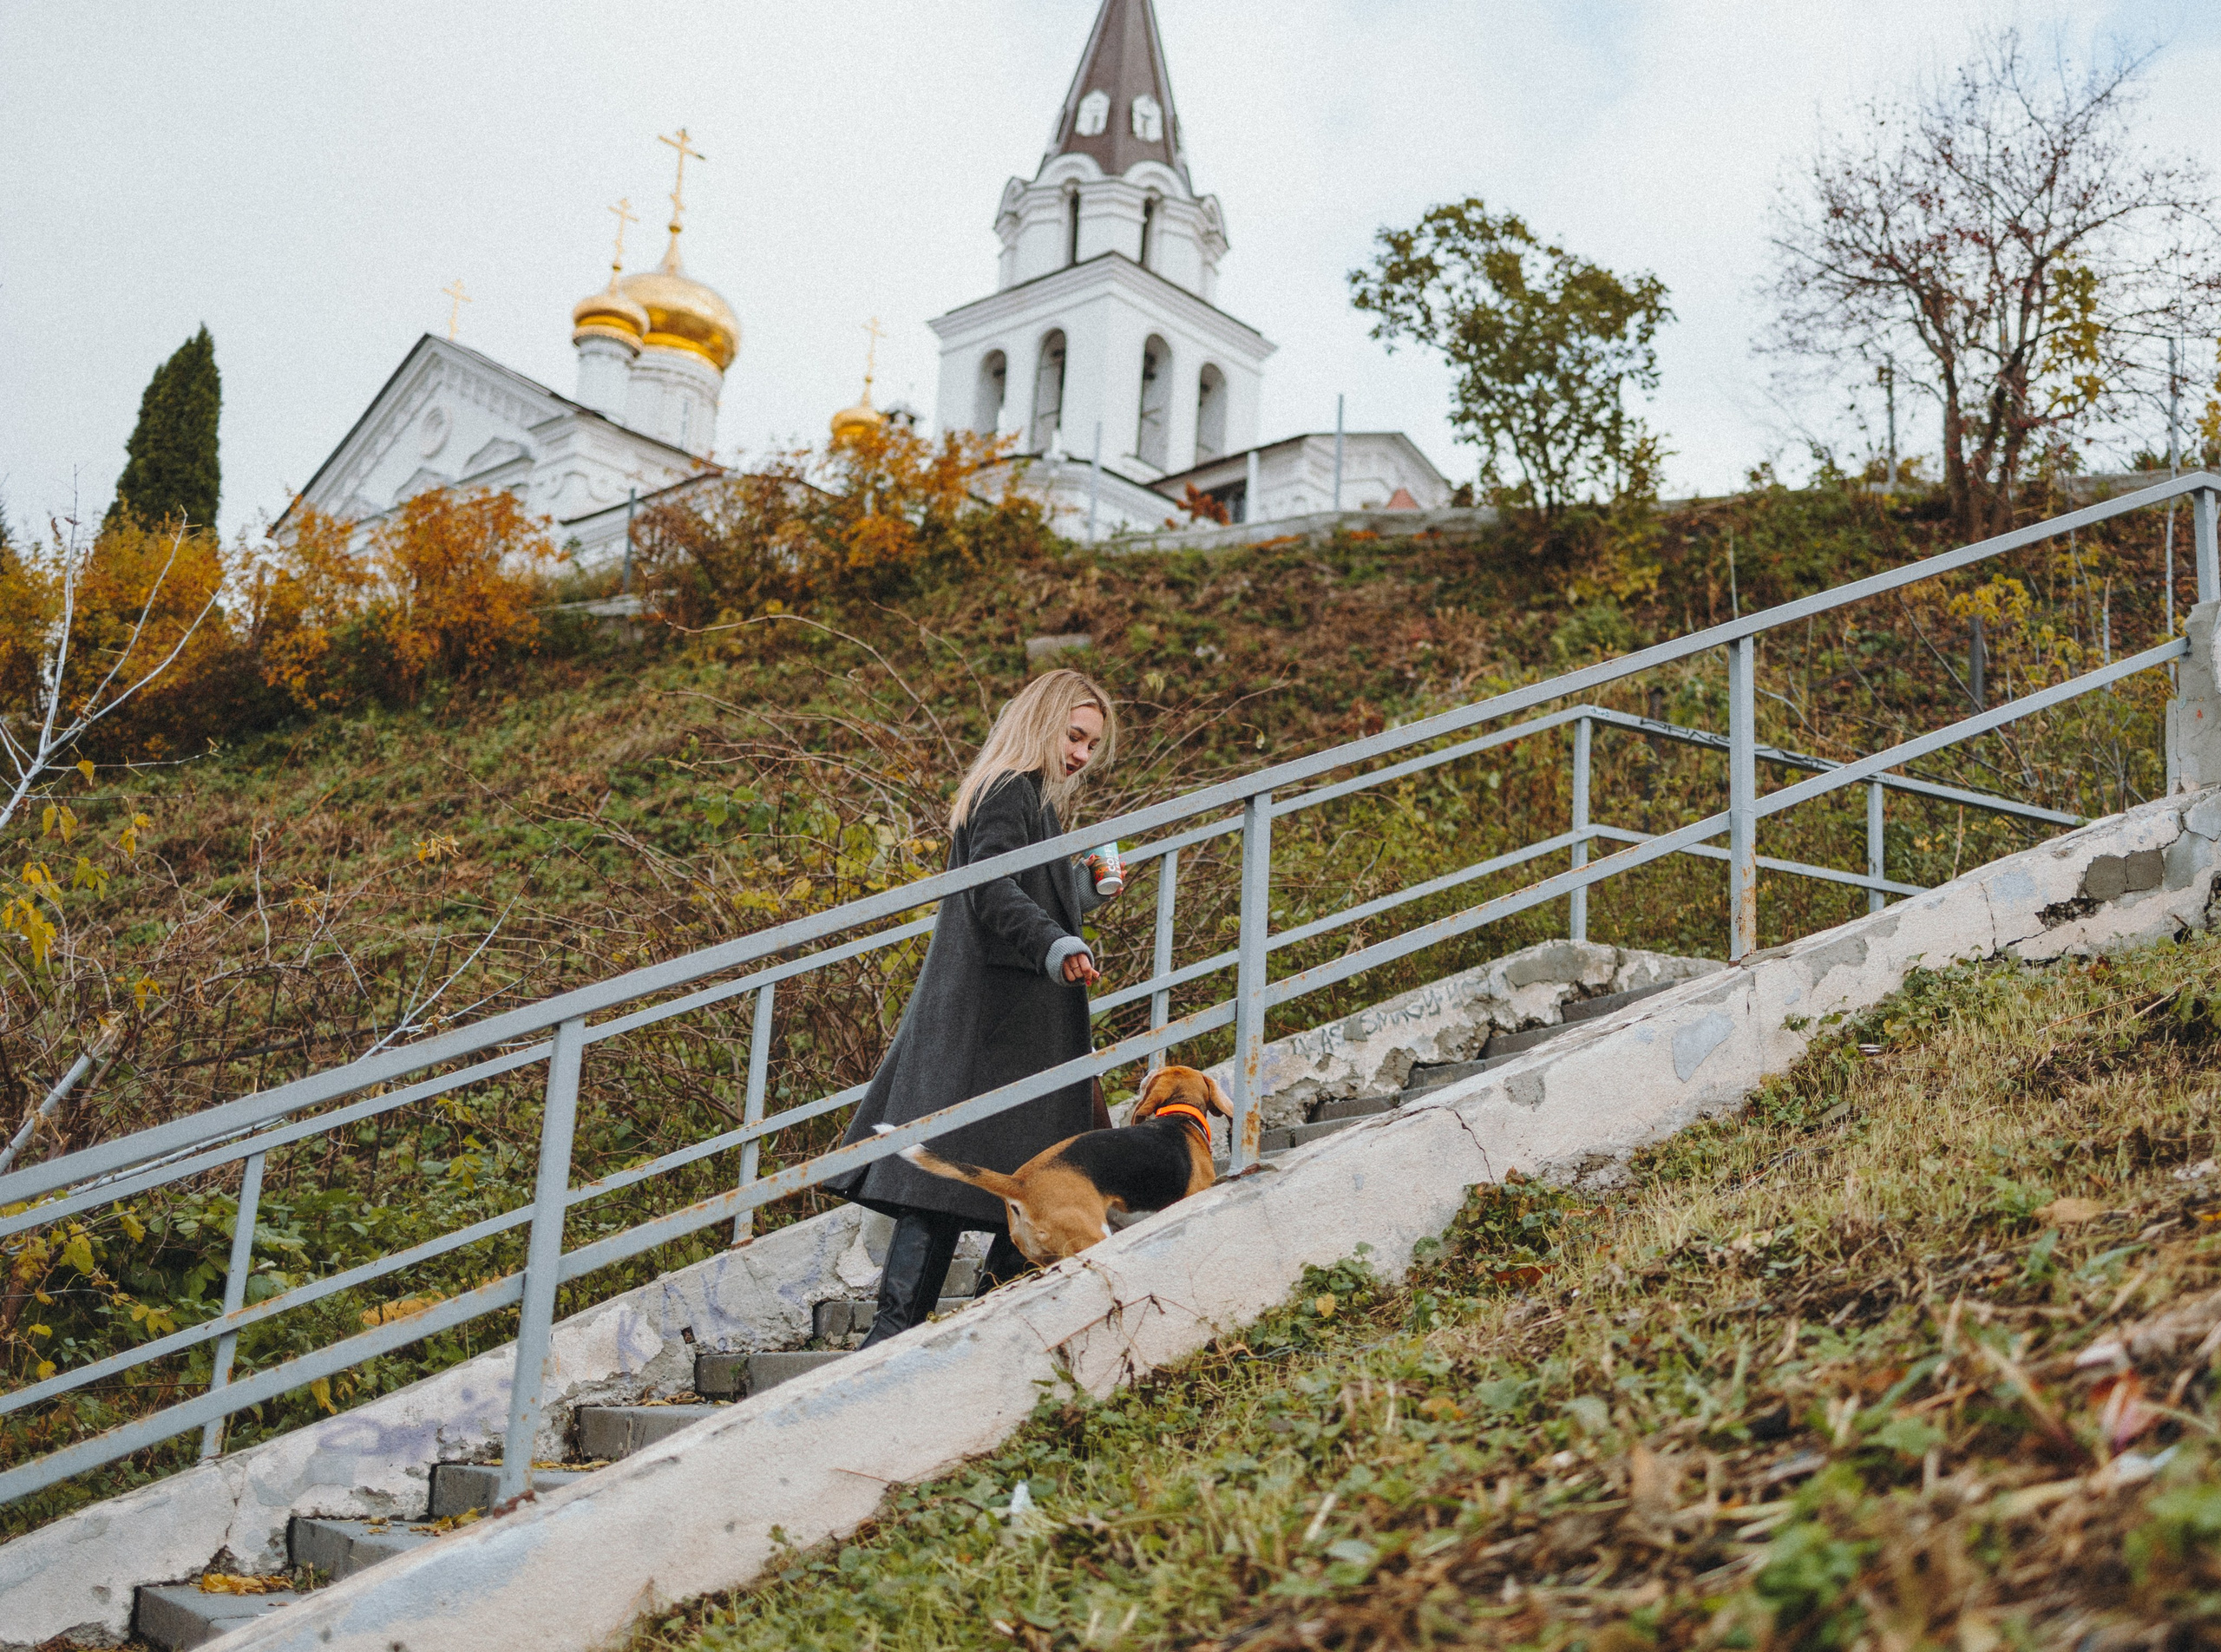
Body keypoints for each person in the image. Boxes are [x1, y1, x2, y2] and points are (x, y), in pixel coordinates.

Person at [826, 668, 1120, 1347]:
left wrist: (1085, 892)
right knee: (957, 1172)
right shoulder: (1009, 789)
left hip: (1008, 1016)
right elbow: (992, 890)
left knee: (1014, 1170)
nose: (1079, 756)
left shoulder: (1031, 797)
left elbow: (1021, 888)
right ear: (1043, 721)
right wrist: (1055, 943)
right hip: (995, 1016)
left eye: (1088, 747)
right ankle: (898, 1335)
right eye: (1073, 737)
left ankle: (962, 1326)